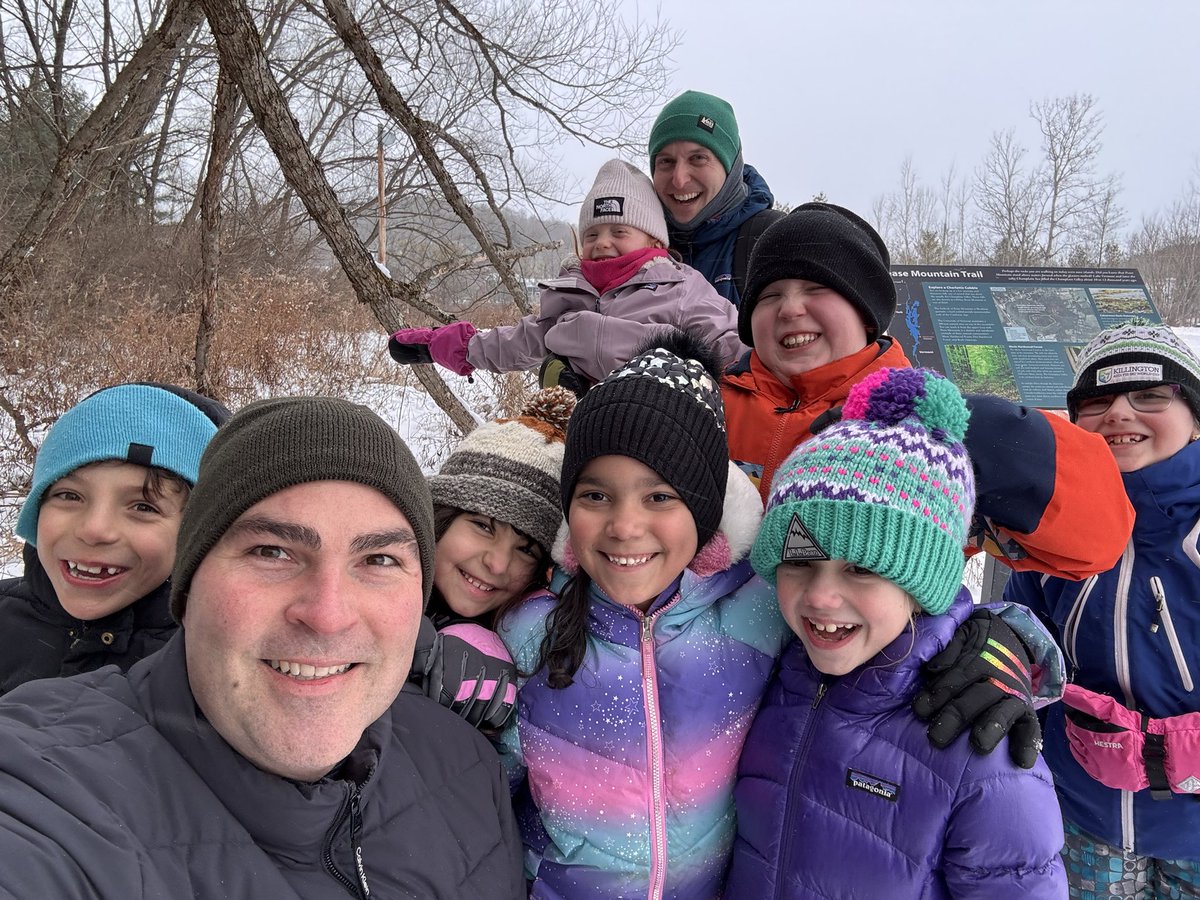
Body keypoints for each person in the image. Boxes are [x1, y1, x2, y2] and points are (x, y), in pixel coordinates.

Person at [494, 333, 1047, 897]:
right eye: (595, 496)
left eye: (660, 496)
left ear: (705, 508)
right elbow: (479, 790)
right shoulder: (527, 629)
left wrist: (1004, 637)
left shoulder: (757, 616)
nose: (626, 526)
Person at [0, 396, 524, 898]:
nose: (327, 615)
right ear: (188, 582)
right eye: (271, 551)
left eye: (380, 560)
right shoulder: (52, 792)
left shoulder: (468, 765)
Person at [727, 366, 1067, 898]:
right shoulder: (765, 673)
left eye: (862, 568)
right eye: (798, 560)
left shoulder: (982, 749)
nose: (819, 595)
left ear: (922, 582)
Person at [722, 200, 1136, 583]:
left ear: (865, 313)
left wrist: (986, 435)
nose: (790, 308)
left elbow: (1096, 539)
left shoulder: (927, 434)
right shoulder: (709, 406)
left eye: (816, 289)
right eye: (769, 295)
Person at [1003, 319, 1200, 897]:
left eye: (1150, 395)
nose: (1118, 413)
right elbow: (1023, 637)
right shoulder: (1051, 528)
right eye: (1096, 400)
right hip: (1086, 815)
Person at [387, 158, 745, 393]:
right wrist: (448, 346)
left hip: (663, 421)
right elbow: (518, 340)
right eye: (592, 235)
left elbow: (730, 341)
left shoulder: (678, 286)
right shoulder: (571, 294)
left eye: (619, 232)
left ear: (653, 240)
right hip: (581, 427)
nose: (603, 244)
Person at [0, 382, 228, 696]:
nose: (95, 530)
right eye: (69, 495)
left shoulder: (211, 664)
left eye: (143, 506)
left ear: (199, 531)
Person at [426, 386, 574, 631]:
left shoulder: (535, 652)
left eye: (527, 550)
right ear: (439, 515)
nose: (498, 564)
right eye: (484, 527)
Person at [647, 89, 784, 307]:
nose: (679, 180)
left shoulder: (772, 240)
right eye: (666, 161)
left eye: (698, 158)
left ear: (730, 167)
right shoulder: (638, 247)